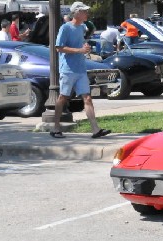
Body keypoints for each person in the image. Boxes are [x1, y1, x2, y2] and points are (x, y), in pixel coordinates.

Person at [50, 2, 110, 139]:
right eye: (84, 11)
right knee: (63, 97)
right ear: (76, 13)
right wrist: (80, 50)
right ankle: (55, 127)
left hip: (81, 69)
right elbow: (59, 47)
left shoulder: (82, 27)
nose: (87, 13)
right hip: (68, 69)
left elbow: (80, 44)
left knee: (87, 98)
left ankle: (95, 130)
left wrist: (85, 47)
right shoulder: (65, 28)